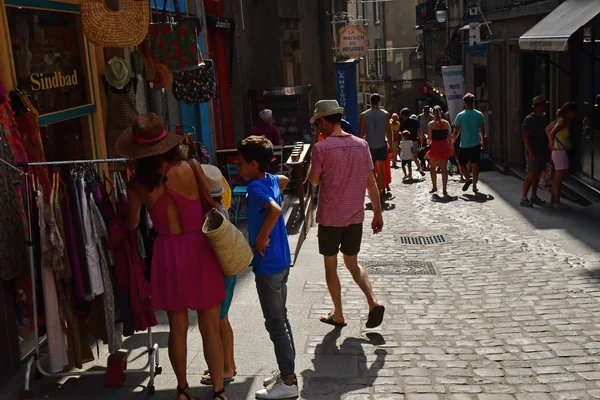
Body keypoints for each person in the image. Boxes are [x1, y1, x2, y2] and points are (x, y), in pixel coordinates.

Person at [117, 113, 227, 400]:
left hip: (167, 253)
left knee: (177, 329)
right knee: (210, 328)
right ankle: (218, 391)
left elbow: (130, 224)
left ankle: (182, 389)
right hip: (200, 249)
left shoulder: (137, 184)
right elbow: (209, 205)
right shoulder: (191, 167)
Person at [309, 100, 386, 330]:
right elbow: (371, 184)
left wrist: (317, 154)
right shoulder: (361, 145)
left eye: (317, 123)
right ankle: (373, 301)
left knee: (330, 265)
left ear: (323, 120)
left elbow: (314, 181)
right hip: (355, 216)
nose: (317, 128)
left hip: (331, 218)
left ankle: (339, 314)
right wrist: (378, 214)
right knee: (353, 263)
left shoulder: (321, 148)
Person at [236, 136, 296, 399]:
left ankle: (289, 381)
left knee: (275, 323)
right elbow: (283, 180)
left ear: (252, 163)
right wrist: (273, 181)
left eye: (240, 163)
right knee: (281, 317)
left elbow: (274, 209)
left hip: (268, 264)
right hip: (282, 260)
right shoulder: (271, 180)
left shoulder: (256, 189)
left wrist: (261, 237)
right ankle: (287, 371)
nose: (237, 167)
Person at [200, 164, 238, 386]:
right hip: (226, 272)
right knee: (223, 319)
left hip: (221, 273)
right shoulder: (221, 208)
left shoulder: (213, 214)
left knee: (221, 320)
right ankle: (227, 362)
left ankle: (227, 367)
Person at [359, 94, 393, 197]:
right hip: (382, 144)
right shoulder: (386, 114)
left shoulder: (363, 115)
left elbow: (361, 132)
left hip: (369, 146)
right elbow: (388, 131)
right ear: (379, 101)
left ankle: (374, 191)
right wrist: (391, 146)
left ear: (370, 101)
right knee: (381, 170)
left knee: (372, 171)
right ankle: (380, 190)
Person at [520, 96, 550, 207]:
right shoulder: (529, 120)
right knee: (531, 174)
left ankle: (533, 196)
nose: (545, 107)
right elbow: (525, 138)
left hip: (541, 150)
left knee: (537, 174)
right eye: (543, 104)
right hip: (533, 151)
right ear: (538, 106)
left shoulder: (543, 118)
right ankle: (523, 197)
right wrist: (530, 152)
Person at [453, 93, 485, 193]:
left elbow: (456, 131)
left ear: (465, 103)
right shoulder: (479, 114)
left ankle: (467, 178)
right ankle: (474, 186)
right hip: (476, 143)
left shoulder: (460, 115)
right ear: (473, 102)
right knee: (475, 166)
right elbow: (482, 130)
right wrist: (483, 142)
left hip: (465, 144)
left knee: (461, 163)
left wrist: (453, 140)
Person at [548, 102, 577, 209]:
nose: (574, 115)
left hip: (558, 151)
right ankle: (556, 201)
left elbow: (547, 129)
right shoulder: (563, 121)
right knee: (558, 178)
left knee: (557, 177)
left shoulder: (560, 120)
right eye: (573, 112)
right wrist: (551, 142)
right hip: (560, 151)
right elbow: (551, 132)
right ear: (570, 112)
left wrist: (551, 143)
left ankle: (553, 200)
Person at [427, 106, 454, 196]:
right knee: (444, 169)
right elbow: (450, 136)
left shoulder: (431, 124)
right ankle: (444, 189)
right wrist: (451, 147)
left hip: (435, 146)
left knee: (432, 168)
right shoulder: (446, 123)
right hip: (444, 146)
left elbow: (430, 137)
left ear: (433, 113)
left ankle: (434, 187)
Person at [400, 108, 425, 174]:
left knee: (407, 157)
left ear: (404, 115)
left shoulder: (404, 123)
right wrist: (421, 138)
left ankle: (410, 172)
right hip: (414, 140)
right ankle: (419, 168)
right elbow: (419, 130)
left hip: (407, 141)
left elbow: (404, 132)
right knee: (414, 156)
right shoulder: (415, 121)